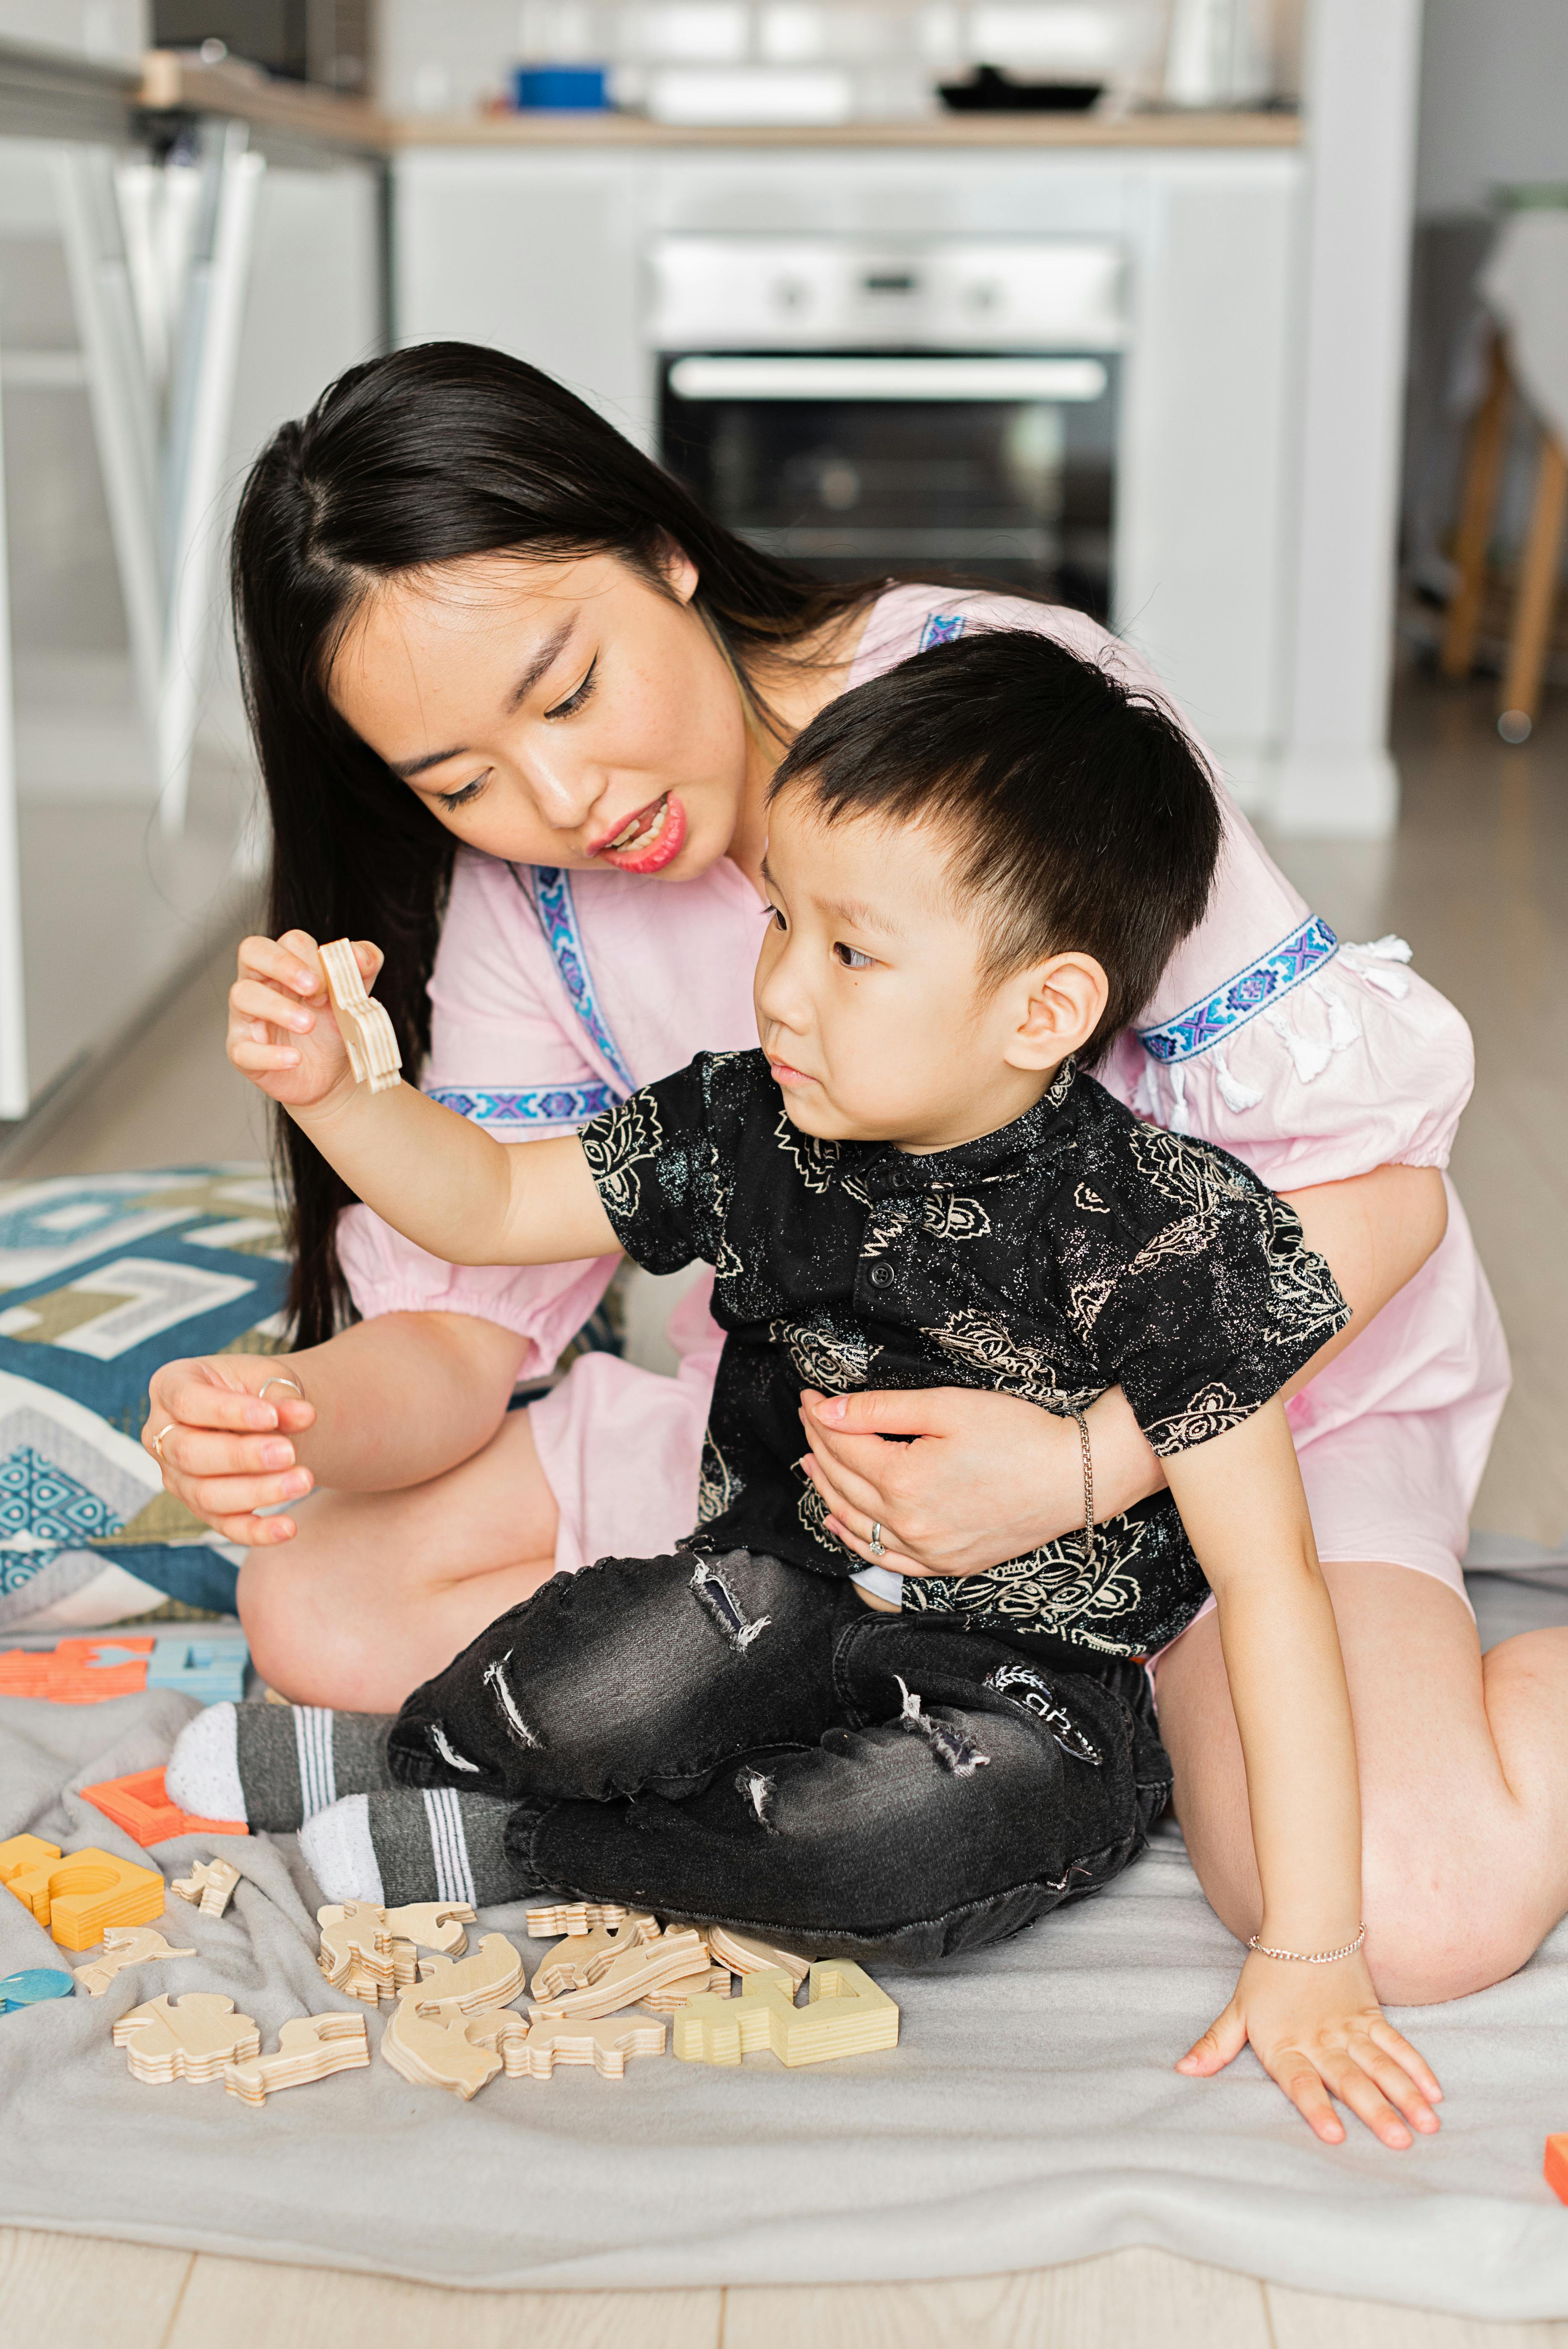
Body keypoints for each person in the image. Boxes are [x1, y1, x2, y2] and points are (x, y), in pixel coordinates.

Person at [143, 344, 1545, 2023]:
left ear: (662, 548)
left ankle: (1115, 1702)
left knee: (1416, 1909)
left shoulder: (986, 717)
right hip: (848, 1449)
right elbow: (466, 1310)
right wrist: (280, 1411)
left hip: (1236, 1423)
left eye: (569, 689)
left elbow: (1380, 1184)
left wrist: (1078, 1467)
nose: (563, 804)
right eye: (460, 782)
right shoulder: (539, 900)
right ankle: (960, 1685)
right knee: (312, 1598)